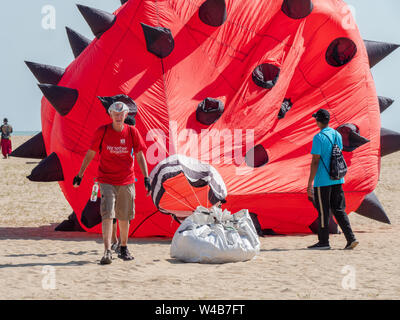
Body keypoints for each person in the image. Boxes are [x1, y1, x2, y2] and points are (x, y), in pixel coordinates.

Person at [73, 101, 151, 264]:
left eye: (121, 114)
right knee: (108, 214)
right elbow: (90, 153)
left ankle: (123, 247)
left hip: (127, 180)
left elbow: (139, 155)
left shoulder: (132, 132)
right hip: (106, 179)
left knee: (124, 216)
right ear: (110, 115)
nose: (118, 117)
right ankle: (107, 250)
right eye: (115, 114)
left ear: (125, 115)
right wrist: (80, 174)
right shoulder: (102, 132)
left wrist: (146, 177)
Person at [307, 109, 359, 250]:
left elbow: (315, 161)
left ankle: (324, 242)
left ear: (318, 121)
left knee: (323, 211)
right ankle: (351, 238)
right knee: (339, 209)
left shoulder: (318, 137)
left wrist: (309, 182)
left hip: (323, 181)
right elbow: (337, 153)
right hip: (337, 179)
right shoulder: (337, 134)